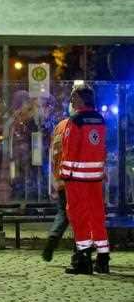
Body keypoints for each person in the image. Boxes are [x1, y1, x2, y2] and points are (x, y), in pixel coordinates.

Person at [60, 84, 109, 274]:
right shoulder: (100, 119)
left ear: (81, 99)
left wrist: (65, 175)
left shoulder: (75, 121)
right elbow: (101, 148)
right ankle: (103, 259)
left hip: (77, 179)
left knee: (79, 218)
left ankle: (83, 261)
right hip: (95, 179)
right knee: (97, 216)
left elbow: (70, 152)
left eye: (73, 97)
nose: (71, 101)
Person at [42, 117, 70, 262]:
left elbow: (53, 152)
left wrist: (55, 178)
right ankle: (83, 251)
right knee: (81, 215)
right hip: (77, 179)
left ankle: (53, 237)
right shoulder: (78, 124)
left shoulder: (59, 126)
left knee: (63, 213)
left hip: (61, 177)